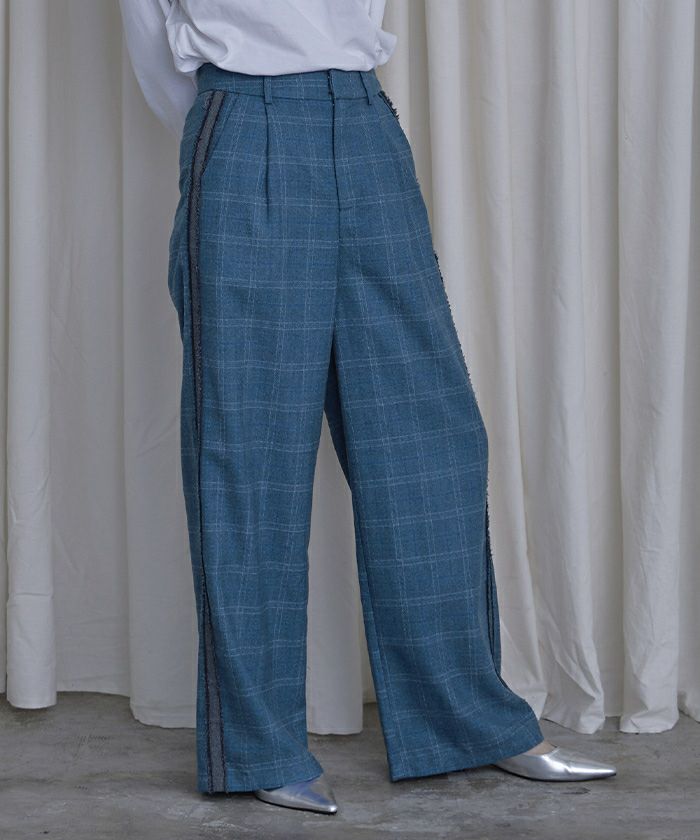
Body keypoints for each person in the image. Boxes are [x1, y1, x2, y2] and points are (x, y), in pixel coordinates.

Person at [118, 0, 616, 816]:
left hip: (364, 122)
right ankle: (260, 747)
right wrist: (233, 117)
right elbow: (150, 40)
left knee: (432, 441)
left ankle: (468, 721)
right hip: (244, 122)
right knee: (249, 454)